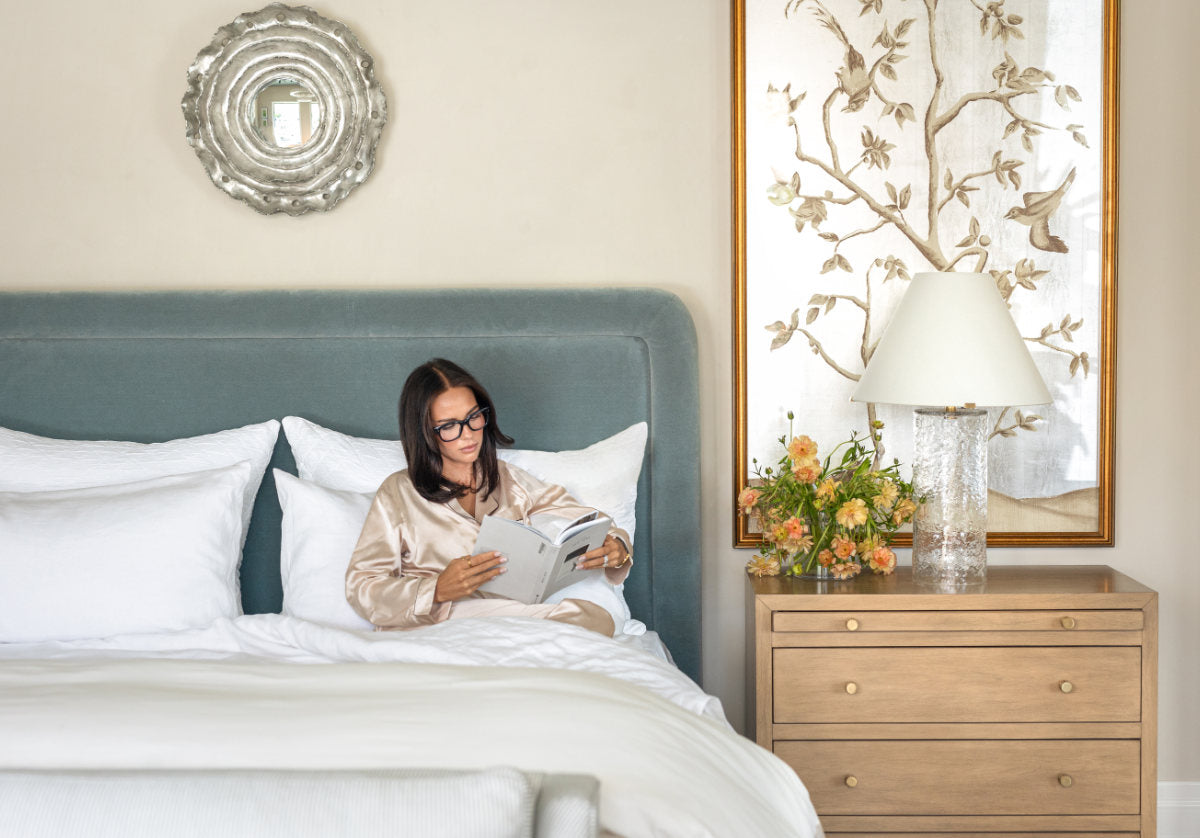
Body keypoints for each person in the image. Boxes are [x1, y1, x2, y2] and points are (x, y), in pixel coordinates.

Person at [345, 359, 632, 636]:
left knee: (595, 618)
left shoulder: (509, 480)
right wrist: (436, 589)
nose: (468, 434)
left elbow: (586, 518)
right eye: (448, 426)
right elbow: (362, 587)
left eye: (473, 417)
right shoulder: (398, 492)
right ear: (424, 433)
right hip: (435, 624)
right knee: (581, 618)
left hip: (508, 619)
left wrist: (617, 546)